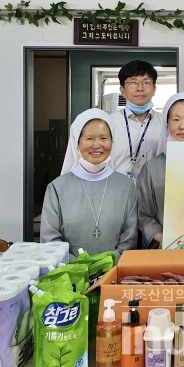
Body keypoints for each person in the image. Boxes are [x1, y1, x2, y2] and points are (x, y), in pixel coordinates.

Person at [41, 108, 138, 263]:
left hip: (114, 274)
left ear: (112, 142)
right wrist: (80, 267)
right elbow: (50, 240)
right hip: (69, 276)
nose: (97, 145)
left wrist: (107, 264)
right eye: (89, 138)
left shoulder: (127, 187)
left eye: (104, 138)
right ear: (77, 142)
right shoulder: (57, 188)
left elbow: (130, 238)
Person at [60, 60, 165, 182]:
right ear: (122, 90)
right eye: (133, 83)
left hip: (155, 194)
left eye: (146, 83)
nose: (140, 88)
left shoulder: (166, 124)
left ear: (154, 89)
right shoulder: (108, 124)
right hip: (116, 192)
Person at [137, 93, 184, 249]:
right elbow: (143, 215)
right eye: (176, 119)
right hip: (165, 247)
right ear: (167, 124)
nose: (182, 126)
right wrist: (162, 238)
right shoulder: (151, 168)